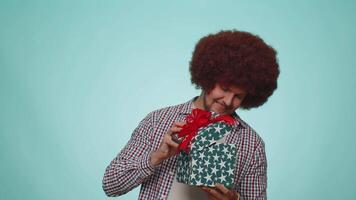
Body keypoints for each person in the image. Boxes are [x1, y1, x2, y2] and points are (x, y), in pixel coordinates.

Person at [102, 30, 279, 200]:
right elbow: (110, 185)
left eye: (238, 96)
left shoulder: (252, 144)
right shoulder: (158, 120)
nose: (228, 100)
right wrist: (157, 156)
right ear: (208, 78)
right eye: (224, 89)